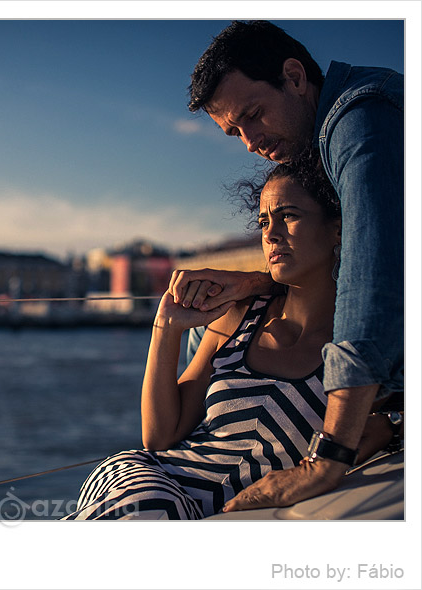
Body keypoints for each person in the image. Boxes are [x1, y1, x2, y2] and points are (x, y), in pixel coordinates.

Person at [65, 154, 379, 520]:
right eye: (264, 221)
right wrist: (166, 328)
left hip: (211, 517)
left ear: (337, 229)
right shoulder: (239, 317)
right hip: (153, 486)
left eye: (289, 216)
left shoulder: (357, 342)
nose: (271, 234)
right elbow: (159, 437)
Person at [171, 20, 403, 512]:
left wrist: (327, 459)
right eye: (235, 131)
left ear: (295, 77)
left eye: (253, 115)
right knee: (219, 325)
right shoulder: (332, 133)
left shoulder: (361, 118)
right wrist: (258, 281)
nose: (251, 143)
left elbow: (372, 278)